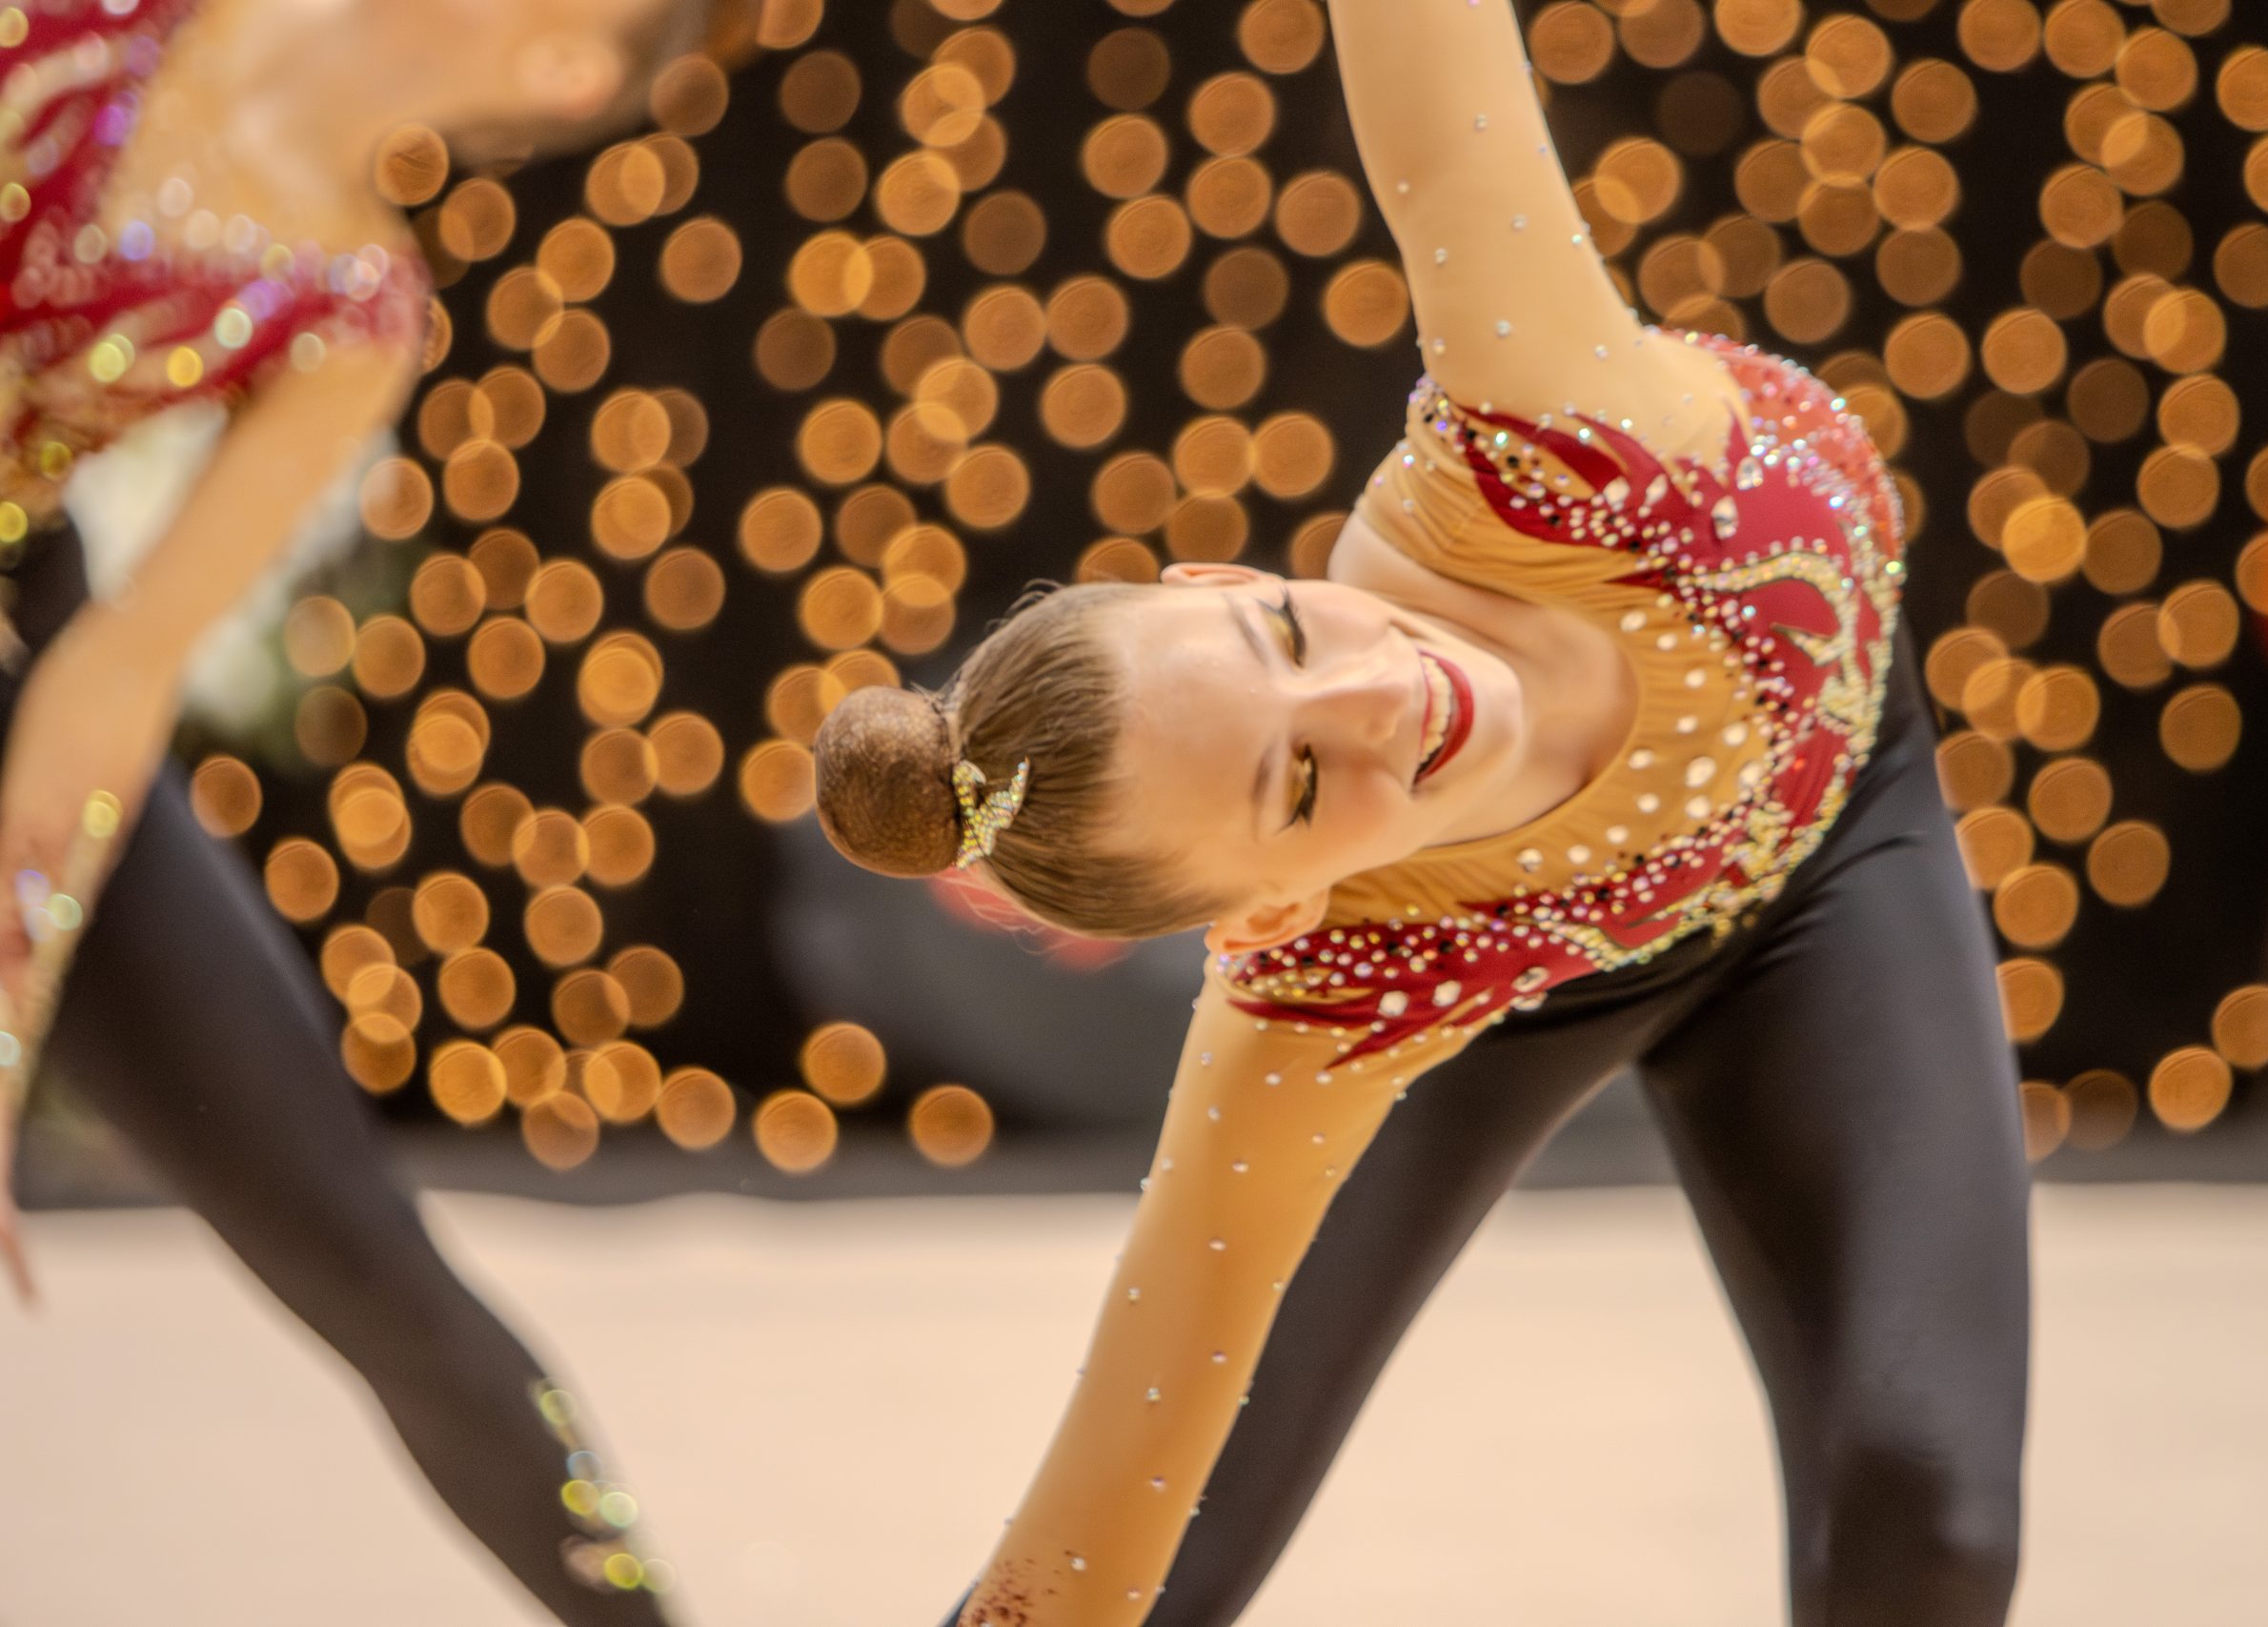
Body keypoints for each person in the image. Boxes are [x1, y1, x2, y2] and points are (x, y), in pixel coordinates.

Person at [814, 2, 2032, 1623]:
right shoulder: (1327, 991)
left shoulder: (1546, 434)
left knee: (1930, 1507)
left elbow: (1426, 78)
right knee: (1173, 1571)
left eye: (1289, 639)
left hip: (1834, 840)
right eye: (1300, 782)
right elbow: (1082, 1543)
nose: (1386, 698)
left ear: (1223, 576)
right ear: (1269, 912)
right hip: (1502, 982)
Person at [0, 0, 719, 1617]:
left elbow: (111, 681)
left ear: (570, 67)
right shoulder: (102, 21)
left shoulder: (353, 311)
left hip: (23, 661)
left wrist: (5, 1021)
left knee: (358, 1248)